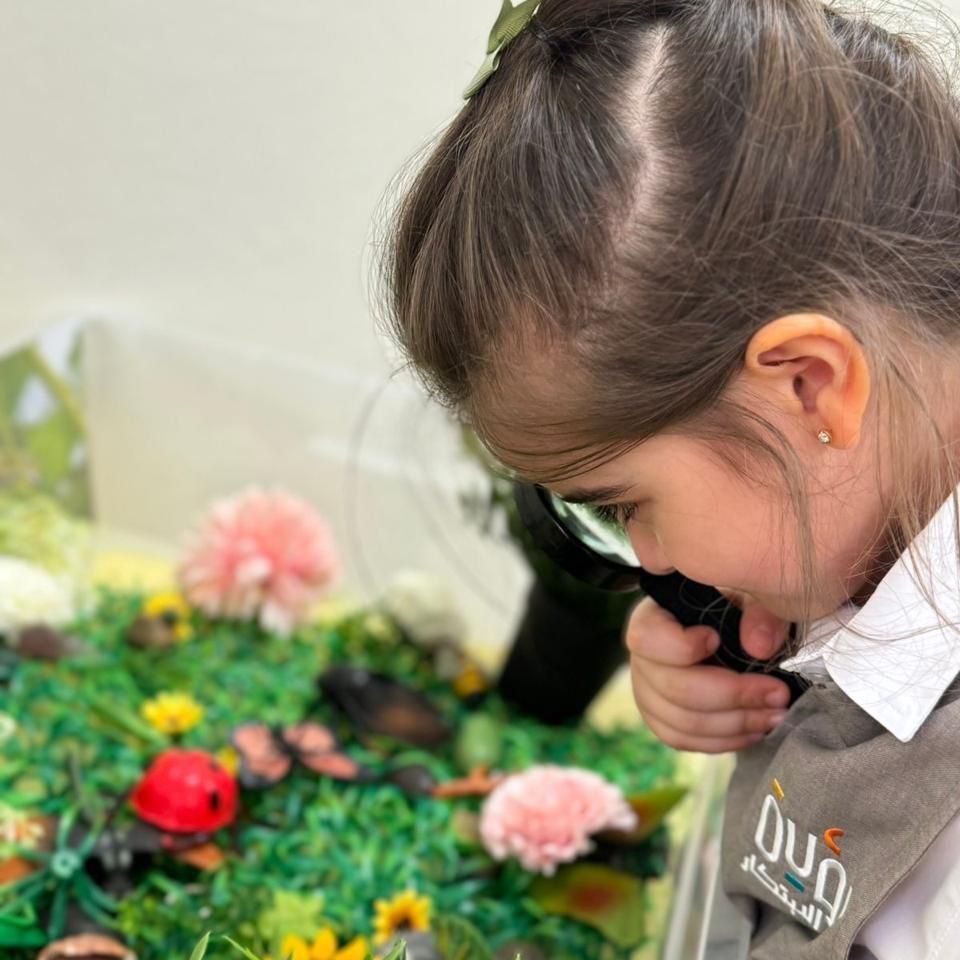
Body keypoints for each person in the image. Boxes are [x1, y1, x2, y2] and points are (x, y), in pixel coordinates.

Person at [381, 1, 960, 956]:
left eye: (623, 505)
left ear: (810, 386)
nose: (648, 562)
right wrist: (747, 649)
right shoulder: (863, 493)